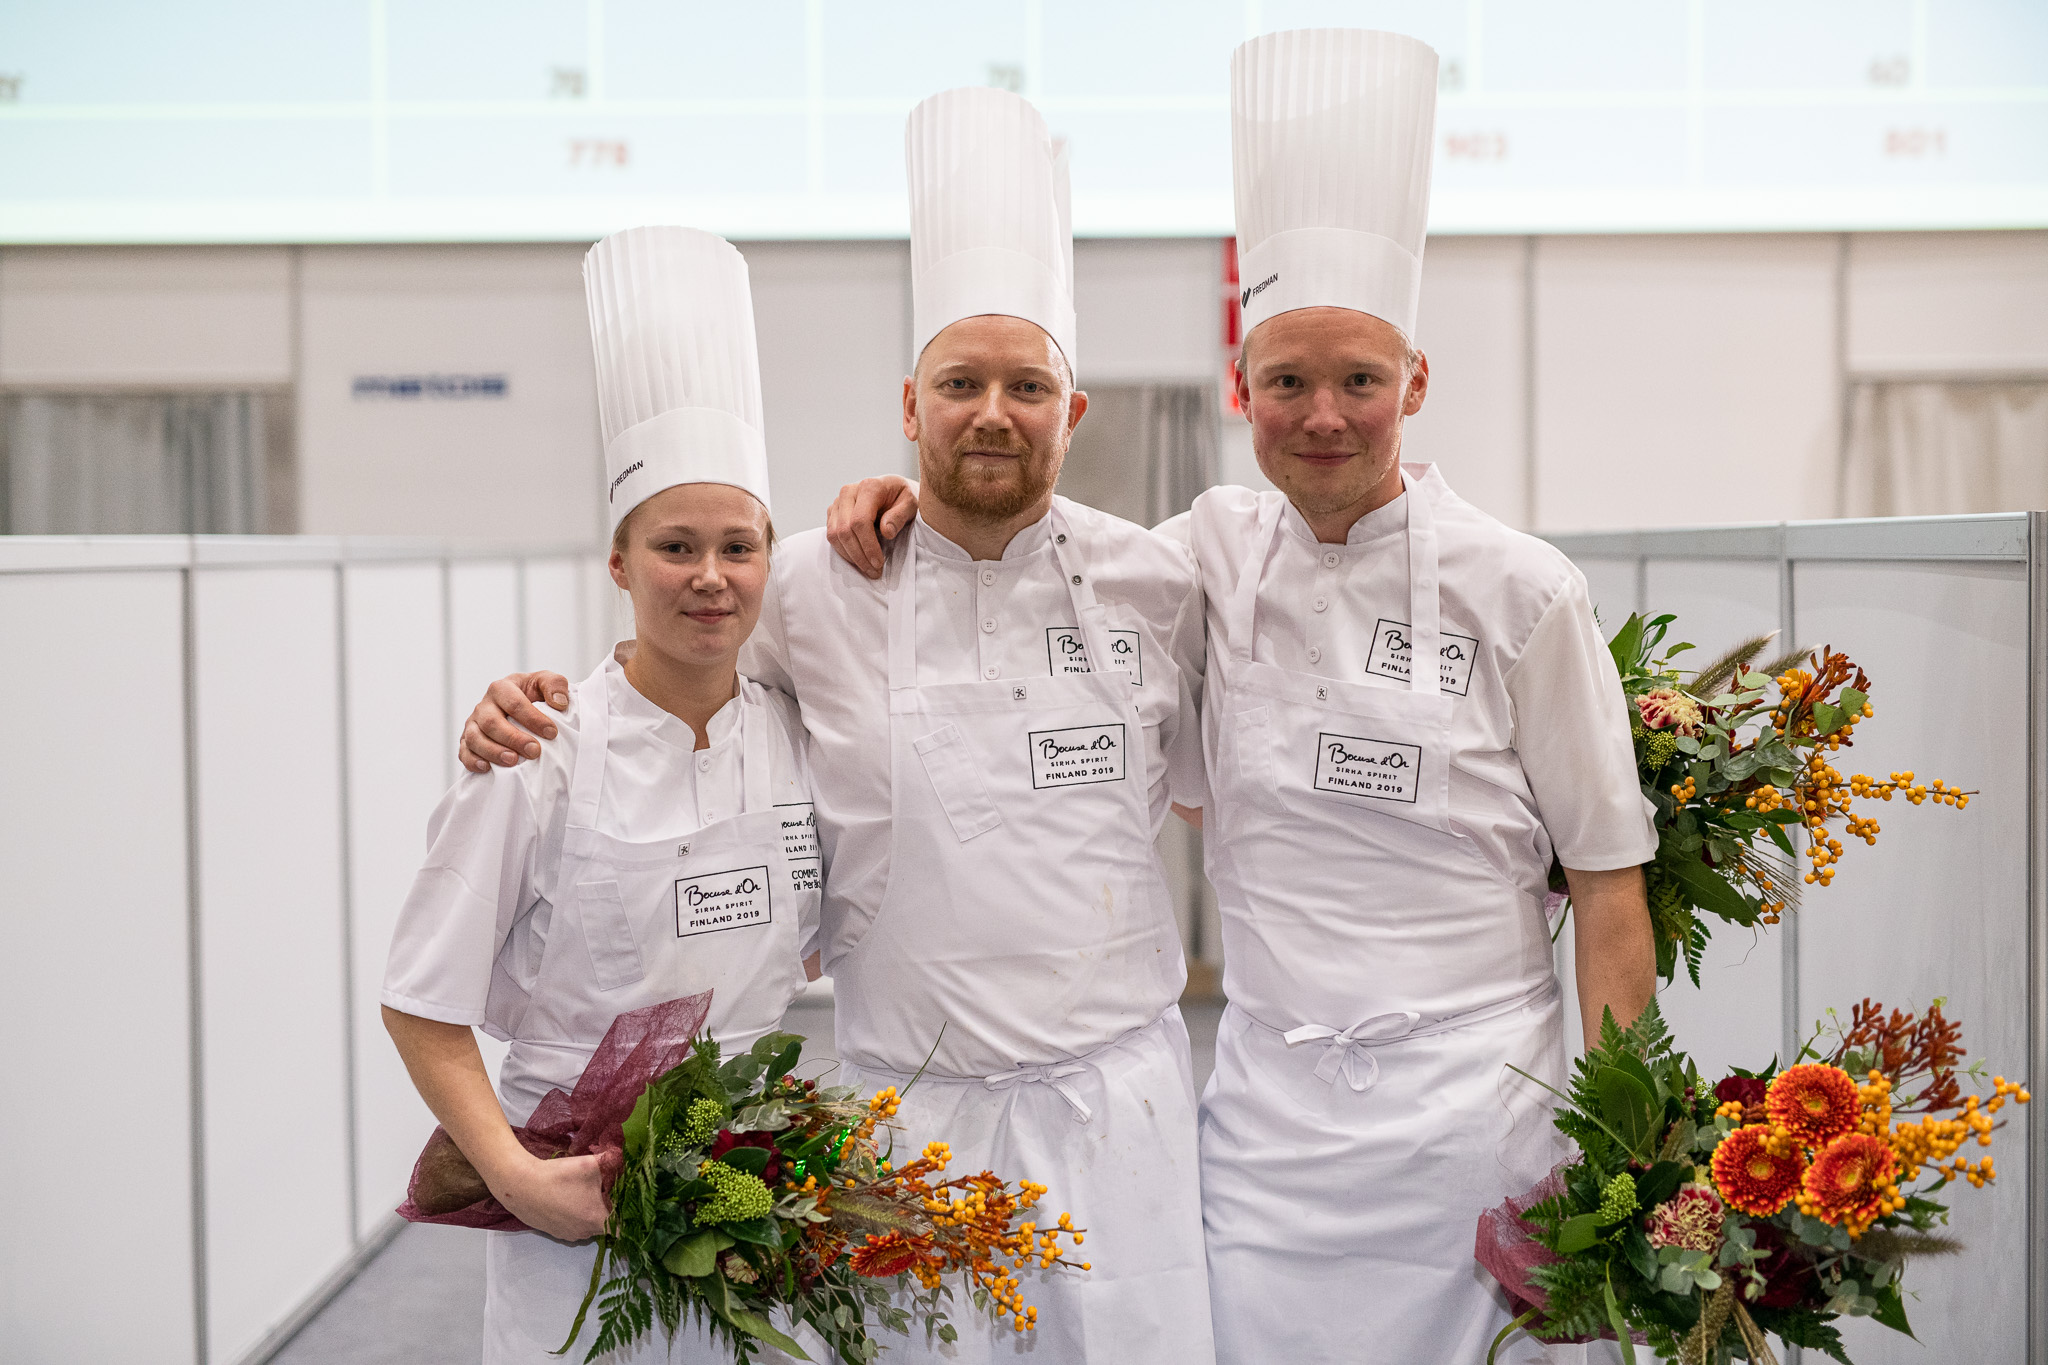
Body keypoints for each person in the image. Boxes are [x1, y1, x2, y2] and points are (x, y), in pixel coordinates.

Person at [826, 30, 1657, 1364]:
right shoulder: (1197, 557)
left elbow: (1610, 887)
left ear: (1414, 384)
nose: (1322, 414)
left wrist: (1616, 1147)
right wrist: (900, 499)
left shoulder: (1523, 591)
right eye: (1287, 382)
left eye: (1359, 381)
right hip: (1268, 1124)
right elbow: (1025, 547)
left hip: (1481, 1109)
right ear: (1242, 392)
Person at [458, 88, 1216, 1364]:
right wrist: (522, 706)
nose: (992, 411)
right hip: (904, 1110)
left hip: (1117, 1104)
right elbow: (668, 675)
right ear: (908, 405)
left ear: (1071, 411)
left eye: (1026, 385)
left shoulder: (1158, 580)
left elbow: (1218, 786)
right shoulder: (808, 580)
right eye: (959, 383)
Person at [382, 226, 819, 1364]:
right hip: (569, 1218)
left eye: (738, 547)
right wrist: (515, 1176)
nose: (710, 577)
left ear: (770, 562)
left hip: (751, 1201)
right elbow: (419, 1000)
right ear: (619, 563)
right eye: (675, 546)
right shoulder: (539, 752)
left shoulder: (799, 739)